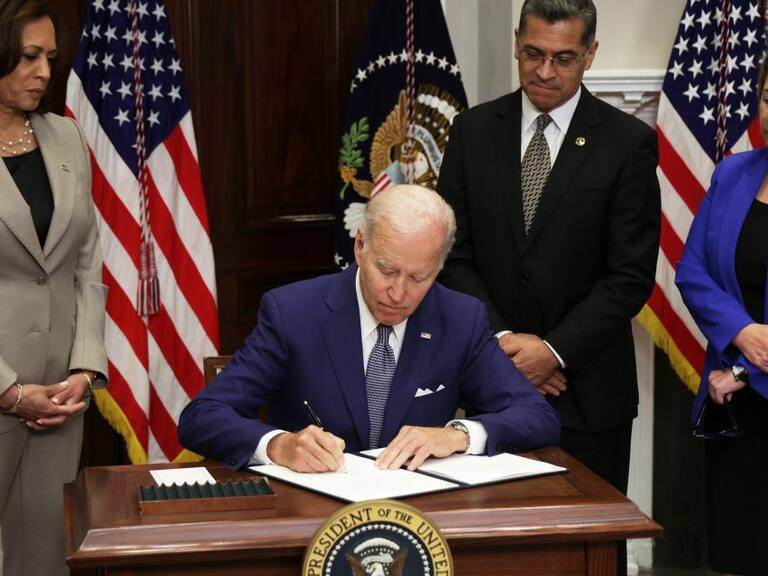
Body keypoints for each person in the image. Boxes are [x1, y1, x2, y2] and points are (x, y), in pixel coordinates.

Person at [437, 0, 660, 498]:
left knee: (592, 551)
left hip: (589, 394)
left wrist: (553, 352)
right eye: (532, 52)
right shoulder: (471, 131)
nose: (544, 71)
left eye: (563, 58)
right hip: (491, 385)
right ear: (517, 42)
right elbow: (452, 255)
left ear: (590, 54)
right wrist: (506, 345)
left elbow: (630, 276)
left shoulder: (628, 143)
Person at [179, 184, 560, 473]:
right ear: (360, 246)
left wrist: (458, 435)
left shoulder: (460, 318)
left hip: (421, 517)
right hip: (311, 517)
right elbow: (203, 416)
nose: (398, 293)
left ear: (439, 268)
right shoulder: (292, 312)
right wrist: (279, 445)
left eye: (419, 277)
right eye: (387, 270)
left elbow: (537, 418)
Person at [0, 1, 108, 575]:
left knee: (43, 558)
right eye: (29, 56)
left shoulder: (65, 136)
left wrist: (85, 369)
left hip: (58, 404)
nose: (44, 71)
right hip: (5, 394)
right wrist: (9, 391)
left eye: (50, 58)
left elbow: (85, 264)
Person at [675, 56, 768, 576]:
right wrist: (741, 333)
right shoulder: (734, 171)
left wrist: (742, 366)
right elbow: (691, 271)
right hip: (736, 408)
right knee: (738, 555)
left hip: (734, 379)